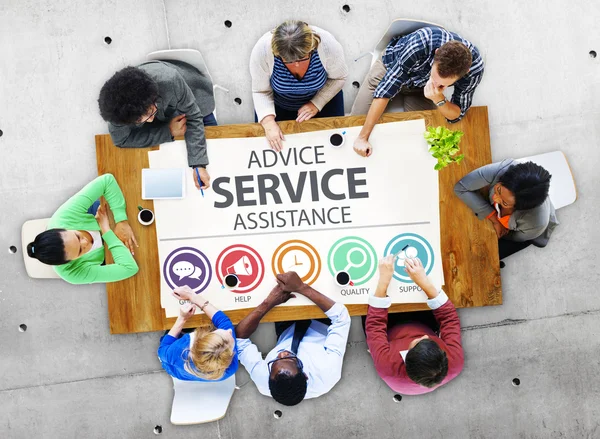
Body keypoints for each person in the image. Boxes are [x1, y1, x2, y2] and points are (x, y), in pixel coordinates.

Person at [351, 26, 484, 157]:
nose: (436, 84)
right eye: (435, 77)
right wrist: (362, 138)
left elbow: (456, 115)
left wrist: (439, 99)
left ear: (465, 73)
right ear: (437, 52)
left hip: (420, 88)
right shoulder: (421, 41)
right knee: (355, 127)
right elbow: (385, 90)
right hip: (391, 68)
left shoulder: (474, 69)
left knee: (426, 141)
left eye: (443, 84)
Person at [235, 272, 351, 406]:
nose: (282, 353)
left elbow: (239, 340)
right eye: (290, 358)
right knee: (326, 279)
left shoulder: (263, 379)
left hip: (286, 327)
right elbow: (341, 318)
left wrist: (269, 302)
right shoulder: (327, 372)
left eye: (275, 360)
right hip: (323, 320)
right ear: (305, 375)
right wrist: (301, 287)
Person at [98, 60, 216, 191]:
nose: (148, 120)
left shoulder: (170, 80)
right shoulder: (117, 113)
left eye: (149, 113)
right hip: (166, 121)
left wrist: (199, 164)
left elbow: (194, 116)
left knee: (216, 150)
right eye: (139, 120)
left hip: (193, 96)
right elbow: (121, 140)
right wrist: (168, 131)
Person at [365, 256, 464, 395]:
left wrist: (384, 282)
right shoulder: (455, 361)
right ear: (443, 354)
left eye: (416, 342)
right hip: (423, 323)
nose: (423, 336)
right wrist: (425, 283)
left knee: (366, 303)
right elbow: (449, 320)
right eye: (430, 340)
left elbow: (374, 326)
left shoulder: (387, 367)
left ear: (405, 358)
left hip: (389, 332)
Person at [250, 20, 348, 151]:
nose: (296, 64)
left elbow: (339, 78)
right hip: (279, 105)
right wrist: (268, 122)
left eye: (302, 58)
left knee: (332, 150)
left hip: (324, 100)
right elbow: (260, 91)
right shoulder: (262, 49)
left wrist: (317, 103)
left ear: (312, 48)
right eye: (288, 61)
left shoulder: (327, 45)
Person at [26, 174, 138, 284]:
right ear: (68, 262)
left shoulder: (63, 217)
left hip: (103, 215)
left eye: (78, 236)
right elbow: (129, 268)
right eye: (80, 250)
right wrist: (106, 230)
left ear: (63, 228)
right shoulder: (71, 273)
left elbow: (107, 181)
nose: (86, 242)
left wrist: (121, 220)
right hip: (109, 251)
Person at [454, 159, 556, 260]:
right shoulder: (503, 169)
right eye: (498, 189)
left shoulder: (535, 224)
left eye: (505, 202)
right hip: (507, 218)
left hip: (522, 233)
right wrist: (494, 219)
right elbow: (460, 188)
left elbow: (515, 237)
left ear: (518, 207)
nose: (495, 198)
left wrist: (501, 233)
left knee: (484, 256)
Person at [158, 286, 238, 381]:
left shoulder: (178, 350)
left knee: (167, 336)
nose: (229, 331)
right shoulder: (230, 368)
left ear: (201, 339)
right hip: (190, 374)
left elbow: (162, 350)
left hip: (175, 369)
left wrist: (182, 318)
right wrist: (192, 296)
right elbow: (225, 323)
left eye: (217, 332)